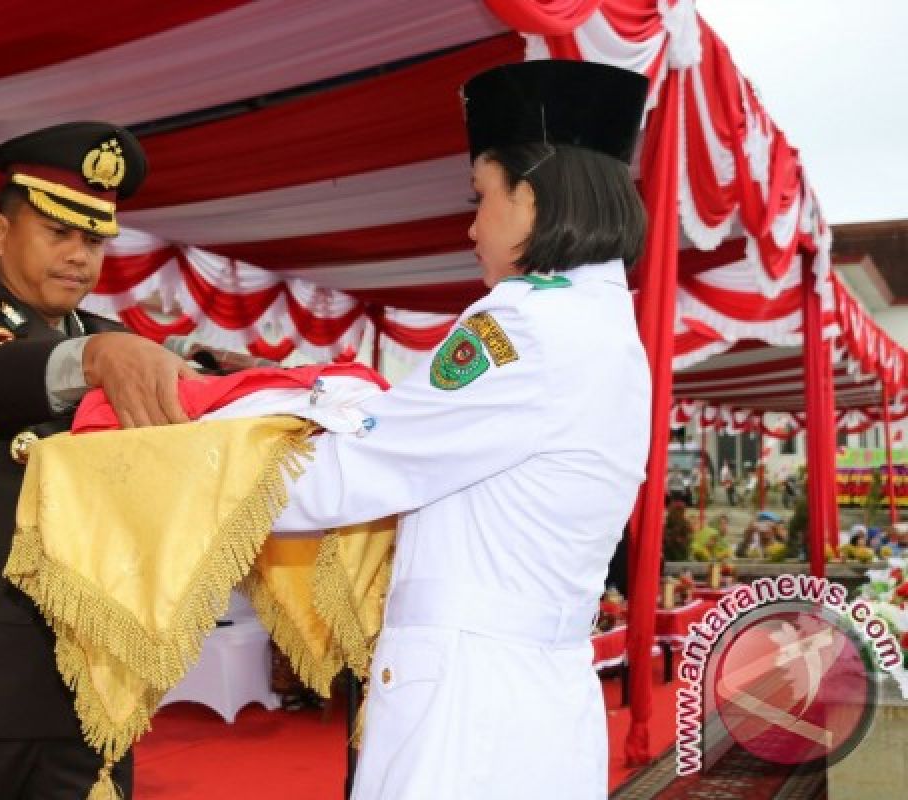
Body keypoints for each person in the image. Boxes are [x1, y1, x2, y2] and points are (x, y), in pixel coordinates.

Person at [271, 60, 651, 798]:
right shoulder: (608, 329)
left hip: (465, 702)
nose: (472, 225)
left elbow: (354, 473)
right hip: (539, 686)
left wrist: (187, 477)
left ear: (531, 198)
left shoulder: (525, 323)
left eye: (481, 196)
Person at [0, 122, 195, 800]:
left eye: (94, 240)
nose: (80, 256)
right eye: (58, 233)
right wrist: (89, 361)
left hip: (93, 691)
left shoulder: (121, 342)